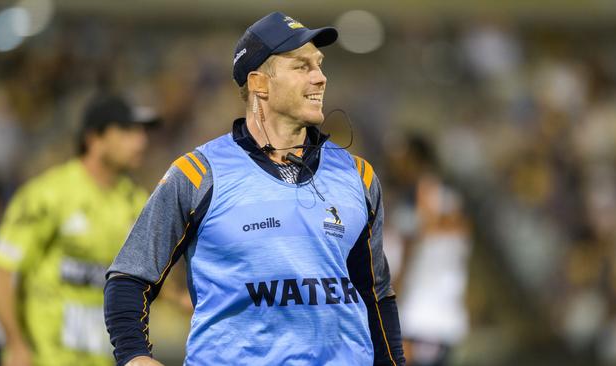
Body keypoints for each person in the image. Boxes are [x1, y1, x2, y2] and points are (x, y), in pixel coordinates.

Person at [104, 12, 405, 366]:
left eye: (320, 65)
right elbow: (130, 276)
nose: (320, 77)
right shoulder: (198, 174)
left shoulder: (359, 176)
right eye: (301, 66)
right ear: (259, 83)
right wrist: (133, 355)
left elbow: (376, 295)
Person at [0, 93, 157, 366]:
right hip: (45, 359)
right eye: (127, 131)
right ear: (94, 139)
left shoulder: (137, 203)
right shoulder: (47, 195)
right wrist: (16, 344)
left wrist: (186, 301)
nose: (140, 141)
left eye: (142, 132)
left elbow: (153, 278)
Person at [391, 135, 472, 366]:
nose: (397, 166)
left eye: (402, 159)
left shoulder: (415, 200)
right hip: (443, 317)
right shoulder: (454, 200)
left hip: (418, 317)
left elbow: (408, 255)